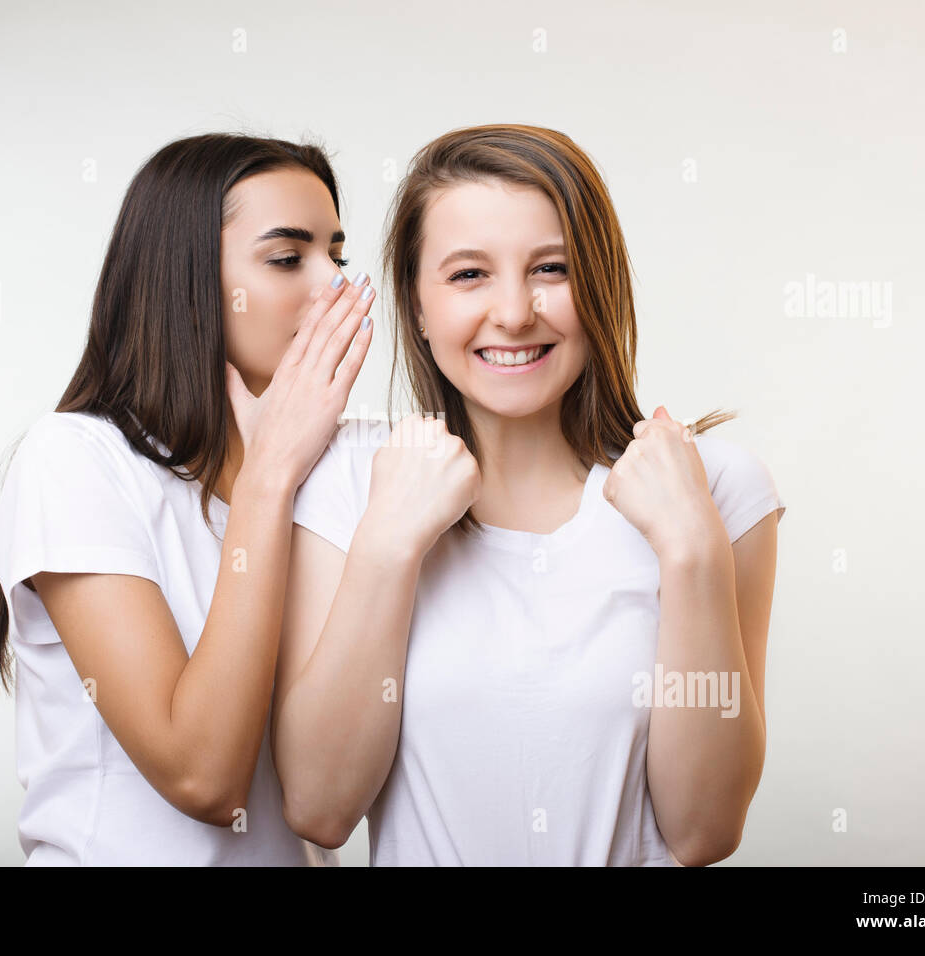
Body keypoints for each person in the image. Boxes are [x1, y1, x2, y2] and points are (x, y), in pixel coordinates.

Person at [271, 124, 786, 866]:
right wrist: (387, 546)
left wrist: (693, 551)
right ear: (417, 306)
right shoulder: (349, 482)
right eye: (469, 275)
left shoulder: (717, 486)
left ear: (600, 287)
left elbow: (705, 830)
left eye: (551, 269)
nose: (513, 313)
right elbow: (320, 808)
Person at [0, 133, 375, 865]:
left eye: (337, 256)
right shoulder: (74, 460)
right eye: (288, 258)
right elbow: (203, 775)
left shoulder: (327, 469)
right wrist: (269, 479)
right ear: (188, 281)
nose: (333, 287)